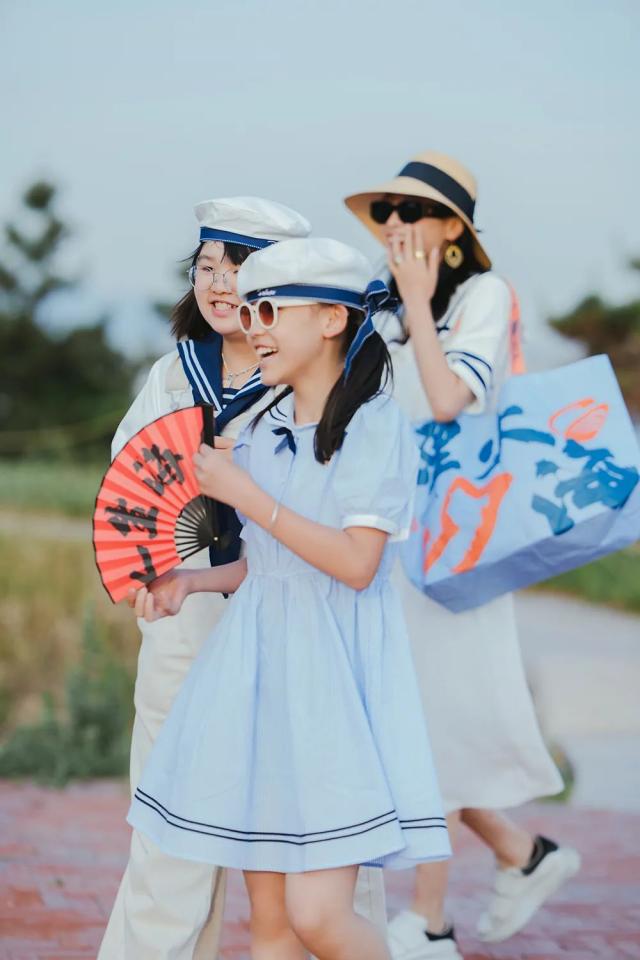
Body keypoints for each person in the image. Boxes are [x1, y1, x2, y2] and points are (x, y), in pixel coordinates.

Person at [127, 237, 451, 960]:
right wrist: (192, 580)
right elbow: (270, 568)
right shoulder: (260, 428)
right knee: (270, 929)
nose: (255, 327)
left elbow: (356, 564)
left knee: (318, 916)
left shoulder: (372, 424)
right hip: (258, 678)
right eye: (249, 311)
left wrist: (246, 496)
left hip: (332, 688)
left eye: (271, 310)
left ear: (332, 320)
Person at [345, 152, 580, 959]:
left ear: (453, 228)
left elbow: (448, 401)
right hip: (388, 535)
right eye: (387, 210)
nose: (395, 223)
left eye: (412, 210)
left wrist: (416, 304)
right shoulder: (379, 304)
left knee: (426, 719)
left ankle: (432, 921)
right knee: (404, 719)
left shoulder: (484, 295)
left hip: (454, 539)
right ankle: (523, 854)